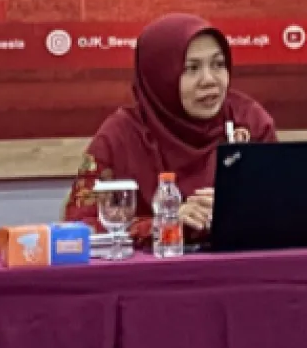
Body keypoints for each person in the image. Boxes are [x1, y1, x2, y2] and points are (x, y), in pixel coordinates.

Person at [63, 13, 277, 244]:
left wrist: (239, 211)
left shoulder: (249, 121)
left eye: (218, 64)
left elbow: (284, 206)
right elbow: (78, 227)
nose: (209, 80)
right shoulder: (120, 136)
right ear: (160, 76)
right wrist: (162, 223)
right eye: (191, 68)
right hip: (155, 266)